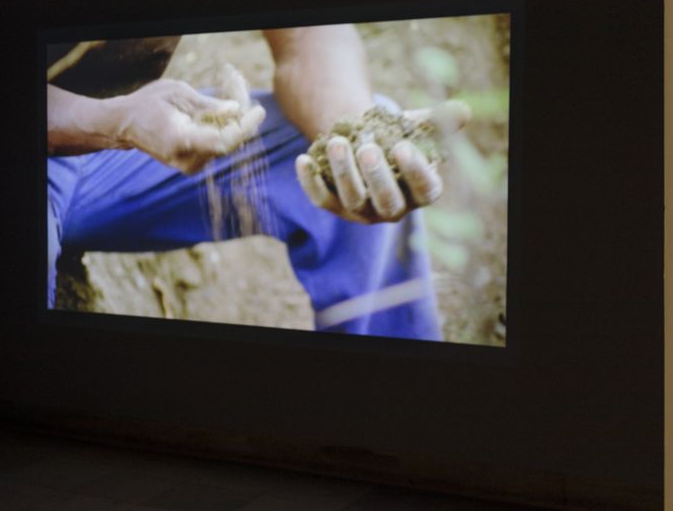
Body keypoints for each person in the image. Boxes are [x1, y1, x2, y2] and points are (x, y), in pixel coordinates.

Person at [46, 24, 469, 339]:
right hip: (13, 152)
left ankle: (395, 411)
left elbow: (311, 34)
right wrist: (115, 122)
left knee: (361, 148)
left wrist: (356, 141)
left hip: (108, 156)